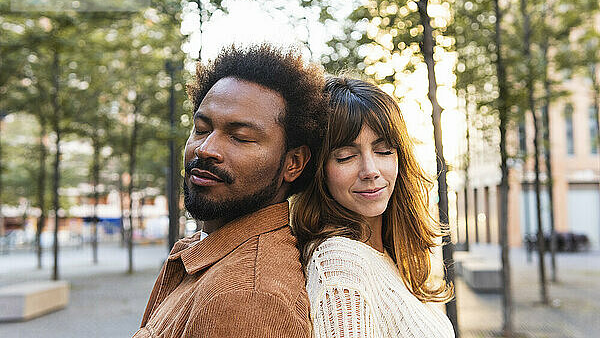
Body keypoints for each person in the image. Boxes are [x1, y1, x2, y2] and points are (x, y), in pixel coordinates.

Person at [133, 44, 327, 338]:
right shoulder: (209, 254)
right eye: (201, 129)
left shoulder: (248, 297)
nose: (206, 149)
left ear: (293, 162)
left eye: (239, 138)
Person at [291, 76, 455, 338]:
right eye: (346, 156)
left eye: (384, 151)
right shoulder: (338, 262)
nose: (370, 170)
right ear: (319, 170)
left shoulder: (384, 253)